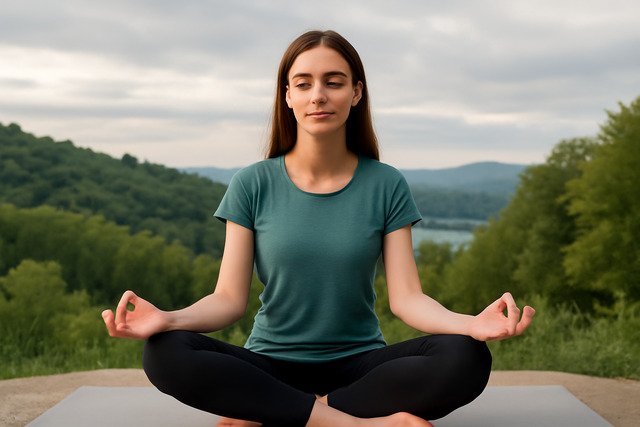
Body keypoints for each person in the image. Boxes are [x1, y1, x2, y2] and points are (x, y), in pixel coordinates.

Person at [102, 30, 535, 427]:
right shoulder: (252, 183)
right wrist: (168, 319)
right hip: (270, 363)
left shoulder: (386, 184)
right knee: (165, 352)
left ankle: (274, 411)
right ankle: (354, 424)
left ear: (356, 92)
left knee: (465, 356)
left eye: (334, 81)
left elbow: (408, 300)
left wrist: (469, 324)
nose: (319, 96)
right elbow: (228, 300)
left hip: (359, 366)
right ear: (287, 95)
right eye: (304, 83)